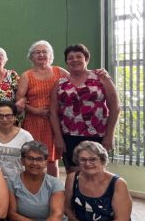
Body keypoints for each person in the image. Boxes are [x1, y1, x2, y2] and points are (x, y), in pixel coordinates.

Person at [50, 44, 119, 173]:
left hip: (97, 135)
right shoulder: (60, 83)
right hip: (69, 136)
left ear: (86, 59)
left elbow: (115, 108)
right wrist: (58, 138)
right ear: (66, 61)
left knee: (95, 172)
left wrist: (110, 135)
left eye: (79, 56)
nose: (75, 60)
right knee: (73, 174)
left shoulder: (101, 78)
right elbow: (53, 113)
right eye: (70, 58)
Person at [16, 41, 67, 177]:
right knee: (31, 158)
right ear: (31, 57)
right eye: (37, 52)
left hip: (54, 123)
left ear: (50, 55)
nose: (41, 54)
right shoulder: (27, 75)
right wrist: (35, 111)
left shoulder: (59, 71)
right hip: (34, 122)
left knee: (52, 160)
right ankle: (31, 186)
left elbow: (75, 79)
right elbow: (19, 100)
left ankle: (52, 187)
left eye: (45, 52)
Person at [0, 101, 33, 189]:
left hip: (17, 184)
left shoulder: (25, 136)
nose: (4, 119)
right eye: (1, 116)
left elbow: (31, 162)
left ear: (15, 117)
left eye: (8, 116)